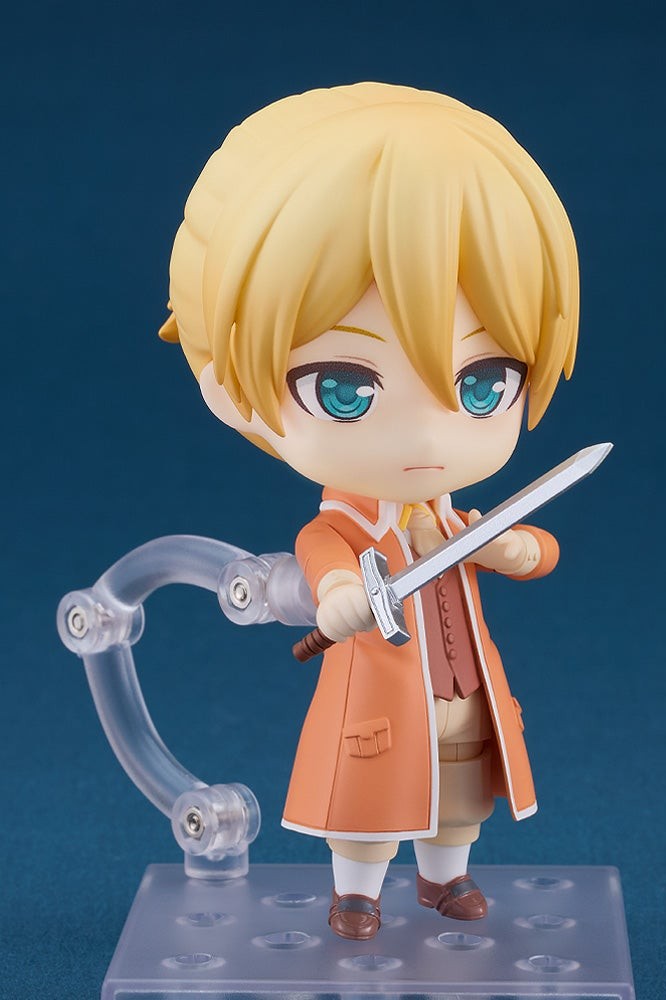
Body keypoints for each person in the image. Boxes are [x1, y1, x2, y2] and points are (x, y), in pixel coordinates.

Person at [158, 82, 579, 939]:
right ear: (230, 390)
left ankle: (445, 878)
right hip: (378, 701)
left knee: (460, 792)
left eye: (484, 383)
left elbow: (539, 549)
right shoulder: (343, 528)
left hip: (465, 692)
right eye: (345, 389)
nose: (428, 433)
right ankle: (357, 890)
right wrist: (343, 594)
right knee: (370, 800)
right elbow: (328, 565)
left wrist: (507, 550)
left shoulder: (458, 523)